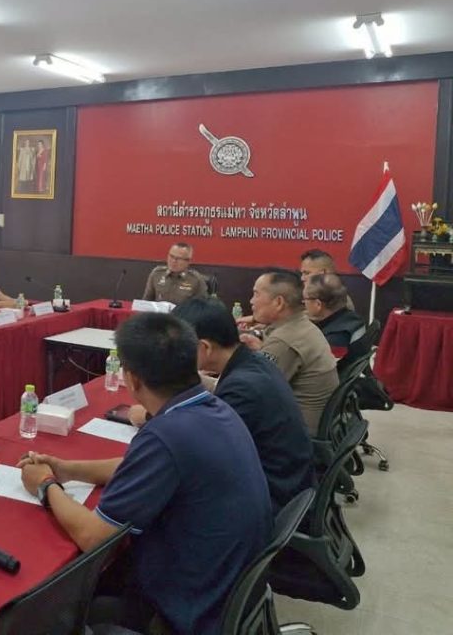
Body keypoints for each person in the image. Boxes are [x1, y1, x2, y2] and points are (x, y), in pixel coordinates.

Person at [19, 313, 271, 635]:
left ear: (133, 379)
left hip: (192, 607)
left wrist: (46, 485)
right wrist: (67, 469)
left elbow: (95, 538)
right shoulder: (211, 408)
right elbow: (134, 466)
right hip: (222, 585)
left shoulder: (166, 434)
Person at [171, 298, 315, 514]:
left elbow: (202, 456)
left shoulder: (242, 389)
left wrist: (151, 416)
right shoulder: (253, 362)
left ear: (204, 347)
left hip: (271, 494)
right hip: (288, 478)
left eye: (178, 348)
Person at [240, 270, 339, 432]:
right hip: (312, 423)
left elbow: (249, 395)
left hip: (292, 433)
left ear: (278, 302)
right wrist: (262, 349)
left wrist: (204, 380)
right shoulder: (302, 325)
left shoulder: (284, 341)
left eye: (256, 294)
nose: (251, 301)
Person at [305, 273, 368, 365]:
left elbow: (318, 369)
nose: (303, 302)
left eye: (305, 299)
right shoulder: (353, 319)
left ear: (318, 304)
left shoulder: (335, 339)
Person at [141, 242, 208, 304]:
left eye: (178, 258)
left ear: (188, 261)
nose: (173, 261)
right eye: (171, 256)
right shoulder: (157, 274)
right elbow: (146, 302)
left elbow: (203, 308)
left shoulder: (196, 280)